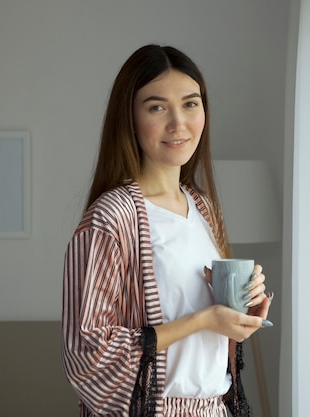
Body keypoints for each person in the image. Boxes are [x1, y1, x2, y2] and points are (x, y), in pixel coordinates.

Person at [61, 44, 272, 417]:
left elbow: (207, 344)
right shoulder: (112, 218)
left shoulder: (203, 208)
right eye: (157, 107)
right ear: (129, 117)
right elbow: (87, 353)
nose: (179, 123)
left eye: (191, 104)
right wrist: (203, 320)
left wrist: (240, 313)